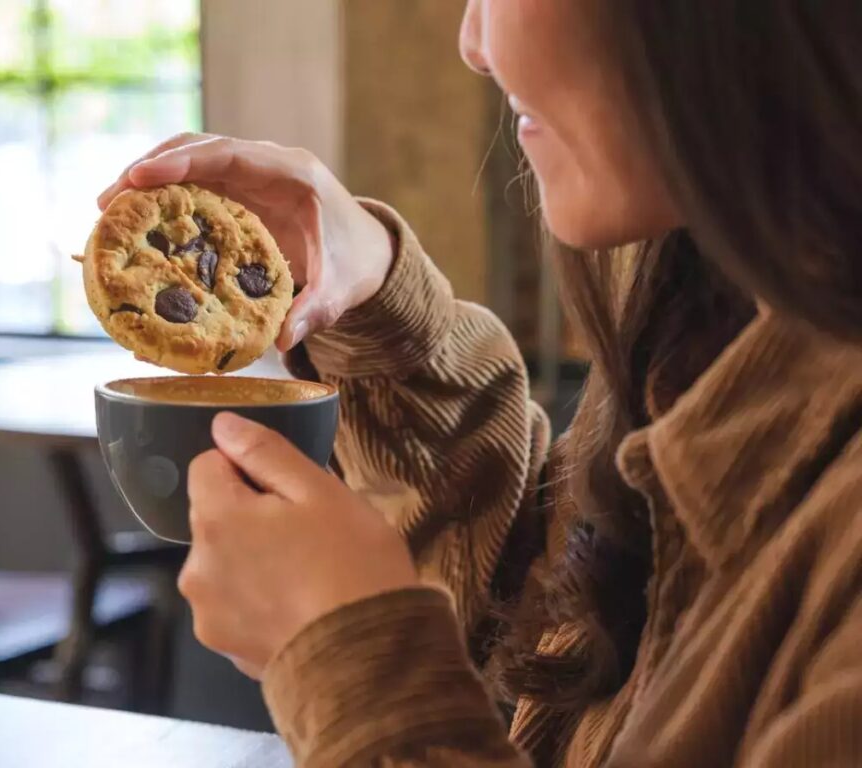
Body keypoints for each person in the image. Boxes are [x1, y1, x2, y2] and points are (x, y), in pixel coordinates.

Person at [98, 1, 862, 765]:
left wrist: (359, 669)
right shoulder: (717, 337)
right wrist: (386, 317)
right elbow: (547, 623)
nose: (474, 45)